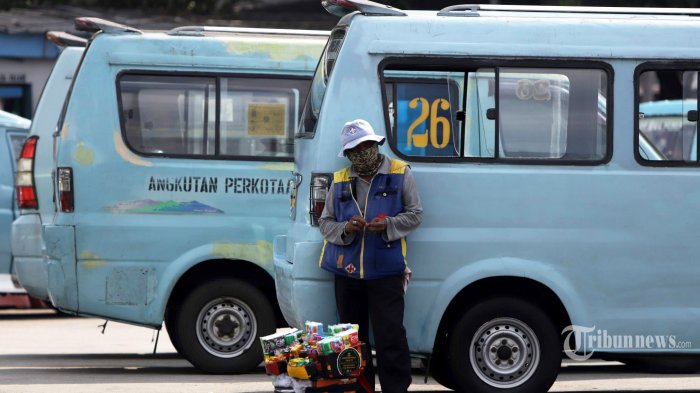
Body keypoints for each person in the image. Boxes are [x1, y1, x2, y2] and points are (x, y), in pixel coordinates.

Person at [319, 119, 422, 393]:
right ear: (348, 154)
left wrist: (388, 225)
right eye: (355, 149)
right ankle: (359, 389)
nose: (362, 152)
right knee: (352, 341)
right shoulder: (340, 179)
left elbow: (415, 215)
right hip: (347, 272)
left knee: (390, 336)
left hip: (387, 271)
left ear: (376, 145)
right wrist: (346, 228)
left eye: (366, 145)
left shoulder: (400, 172)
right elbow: (325, 223)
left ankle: (396, 389)